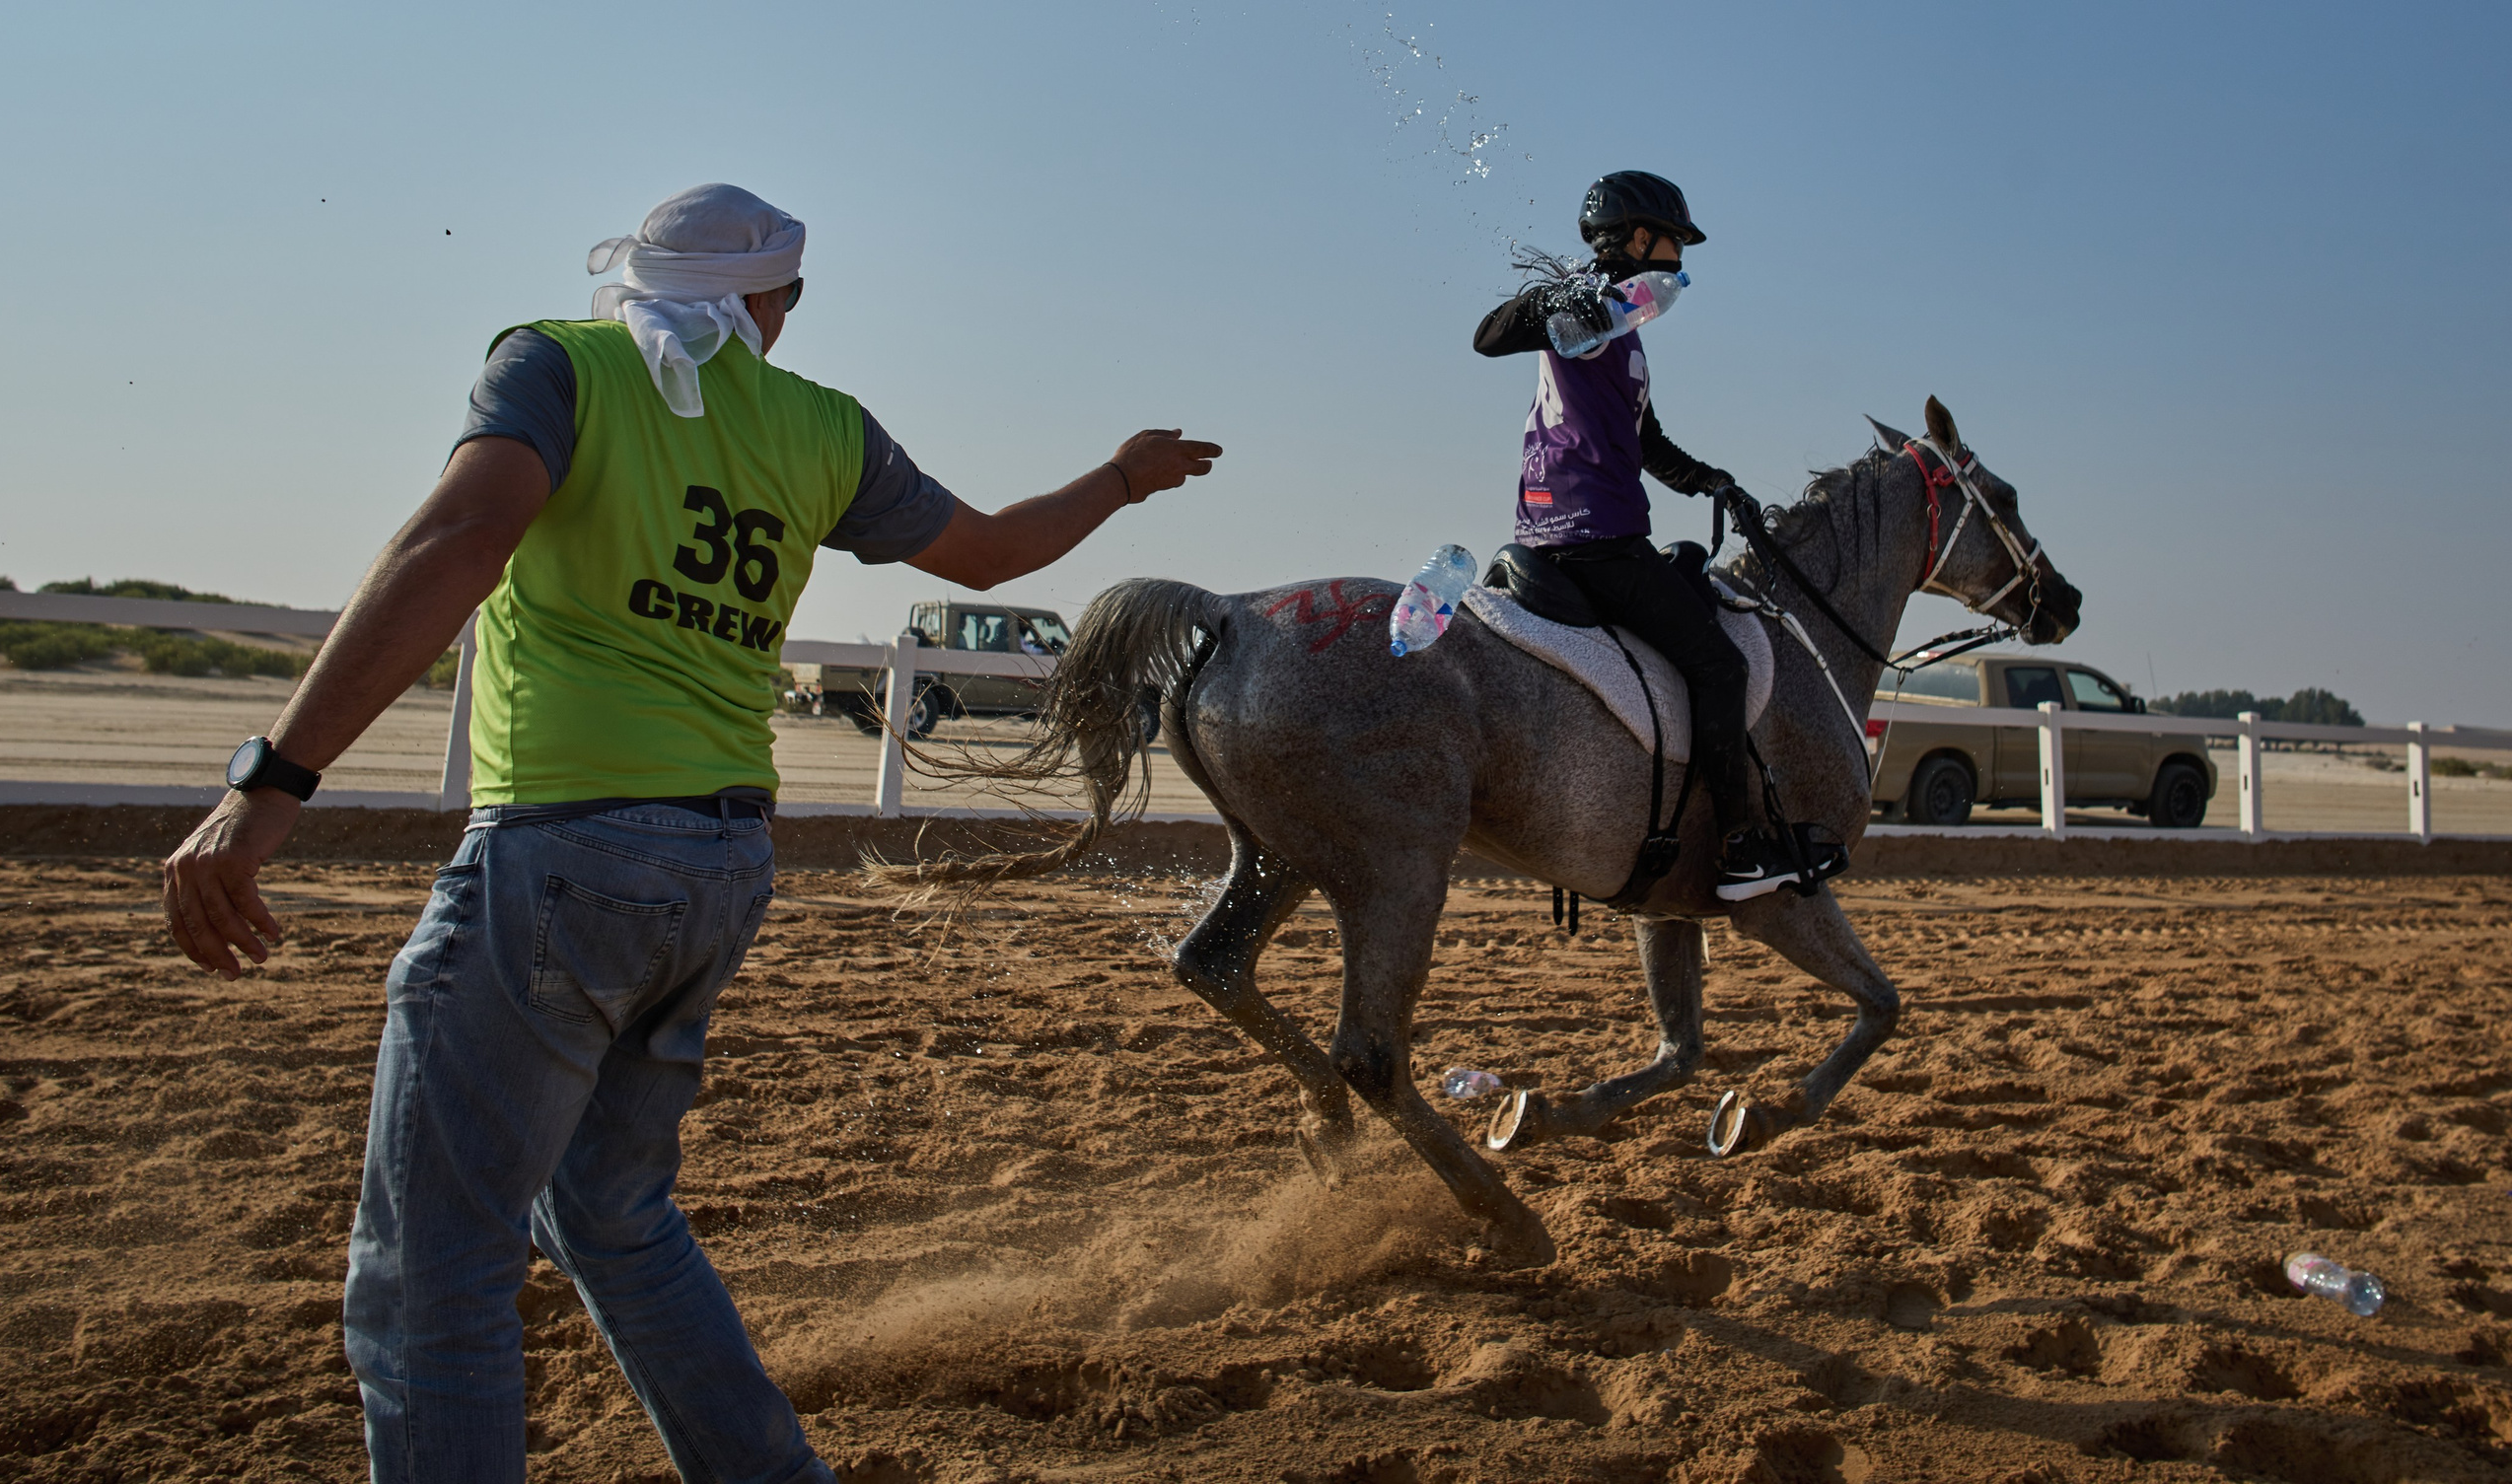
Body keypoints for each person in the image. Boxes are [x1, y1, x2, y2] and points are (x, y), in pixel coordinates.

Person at [159, 182, 1220, 1482]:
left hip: (565, 855)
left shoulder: (557, 364)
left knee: (429, 1279)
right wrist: (1121, 477)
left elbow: (457, 537)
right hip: (720, 866)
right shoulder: (825, 427)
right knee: (608, 1213)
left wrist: (268, 786)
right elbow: (993, 556)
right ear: (769, 300)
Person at [1472, 169, 1799, 901]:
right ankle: (1742, 848)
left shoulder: (1625, 335)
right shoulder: (1586, 309)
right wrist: (1552, 297)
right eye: (1674, 245)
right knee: (1719, 668)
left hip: (1597, 531)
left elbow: (1647, 440)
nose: (1681, 264)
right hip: (1593, 538)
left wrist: (1712, 481)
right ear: (1636, 239)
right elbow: (1486, 336)